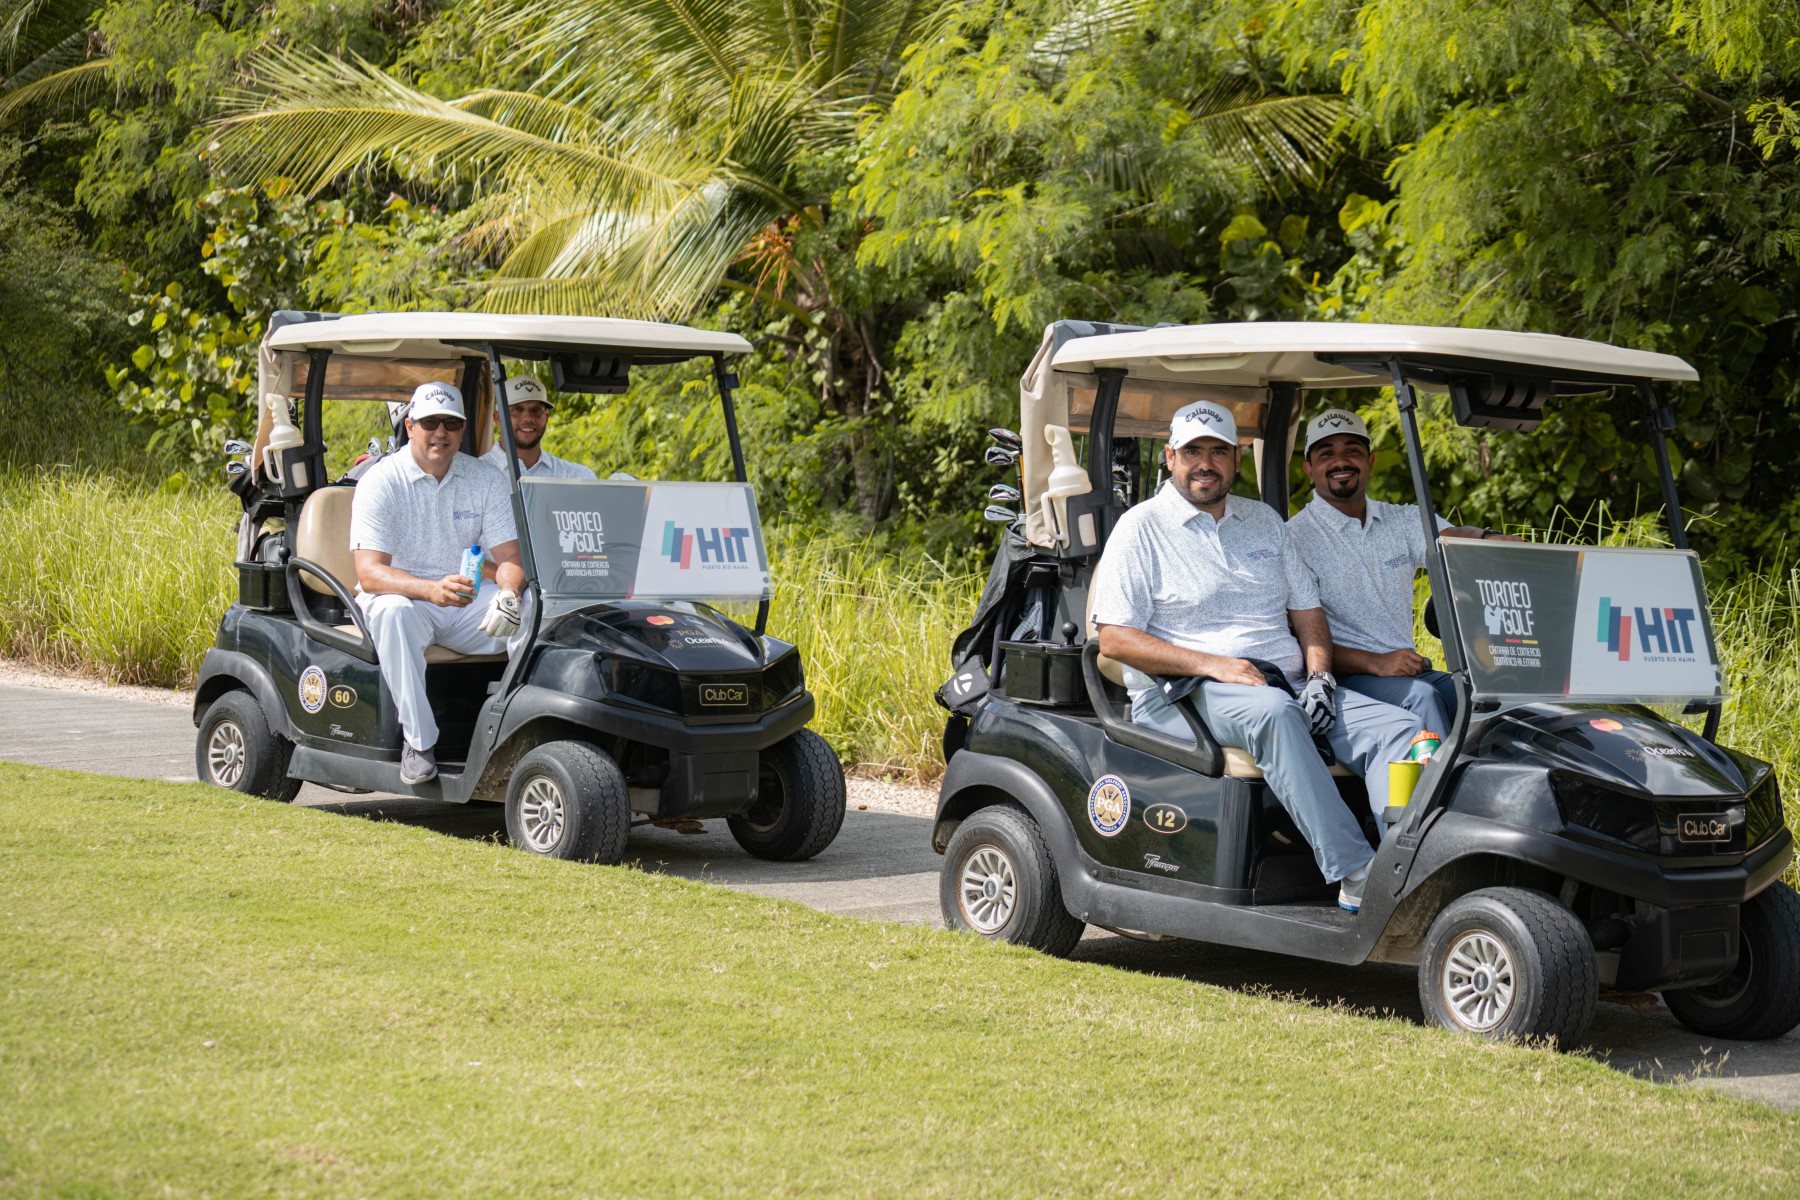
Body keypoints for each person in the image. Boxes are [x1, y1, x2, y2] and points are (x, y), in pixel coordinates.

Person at [1089, 401, 1424, 912]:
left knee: (1400, 731)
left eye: (1218, 451)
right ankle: (1358, 874)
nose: (1206, 463)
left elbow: (1308, 614)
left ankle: (1405, 866)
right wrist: (1214, 665)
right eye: (1193, 451)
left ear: (1236, 459)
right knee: (1275, 713)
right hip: (1184, 692)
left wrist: (1320, 677)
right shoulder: (1142, 528)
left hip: (1283, 684)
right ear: (1171, 457)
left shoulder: (1263, 521)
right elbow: (1114, 639)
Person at [1285, 408, 1518, 736]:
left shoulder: (1401, 519)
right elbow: (1298, 639)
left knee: (1488, 698)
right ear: (1309, 470)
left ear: (1370, 461)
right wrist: (1377, 663)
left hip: (1405, 670)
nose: (1341, 461)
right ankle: (1437, 773)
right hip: (1342, 678)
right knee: (1422, 698)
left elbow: (1448, 539)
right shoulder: (1293, 538)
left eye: (1352, 450)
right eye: (1326, 454)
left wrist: (1488, 539)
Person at [350, 381, 527, 785]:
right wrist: (430, 590)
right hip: (406, 599)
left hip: (463, 599)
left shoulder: (484, 478)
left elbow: (510, 559)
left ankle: (517, 730)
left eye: (451, 423)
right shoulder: (381, 481)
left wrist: (509, 592)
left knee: (534, 607)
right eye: (430, 422)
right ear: (410, 426)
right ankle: (419, 743)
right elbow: (370, 573)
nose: (441, 432)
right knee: (393, 612)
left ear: (462, 429)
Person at [479, 376, 598, 480]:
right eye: (517, 409)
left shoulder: (575, 476)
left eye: (536, 410)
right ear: (498, 418)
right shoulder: (477, 474)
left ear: (546, 418)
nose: (528, 418)